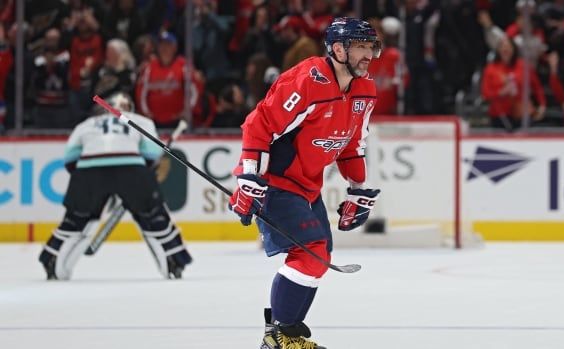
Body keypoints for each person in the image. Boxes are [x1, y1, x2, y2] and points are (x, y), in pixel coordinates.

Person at [228, 17, 382, 349]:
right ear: (338, 49)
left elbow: (353, 144)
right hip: (275, 181)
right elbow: (258, 125)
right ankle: (279, 337)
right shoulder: (307, 80)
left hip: (307, 185)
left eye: (370, 47)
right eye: (360, 47)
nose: (367, 55)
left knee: (319, 255)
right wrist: (248, 179)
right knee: (311, 252)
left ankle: (287, 335)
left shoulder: (365, 89)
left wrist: (357, 189)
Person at [38, 92, 192, 281]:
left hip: (89, 169)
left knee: (75, 219)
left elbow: (70, 159)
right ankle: (174, 260)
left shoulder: (86, 125)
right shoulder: (141, 121)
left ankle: (51, 259)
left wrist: (89, 181)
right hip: (131, 167)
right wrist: (140, 172)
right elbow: (152, 154)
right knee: (154, 216)